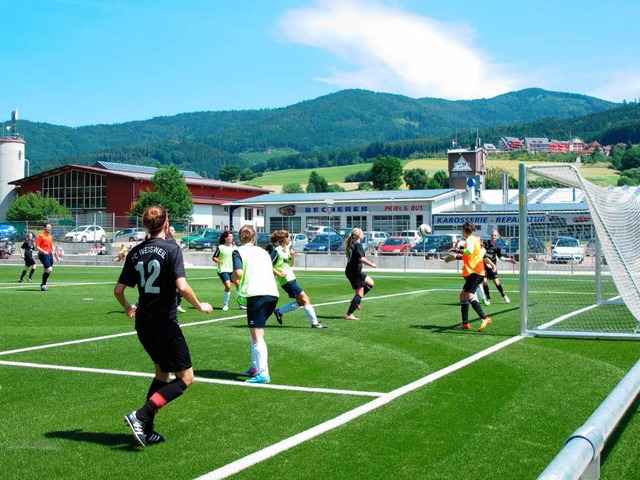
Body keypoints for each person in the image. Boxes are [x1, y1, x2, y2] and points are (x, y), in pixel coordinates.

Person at [114, 205, 212, 447]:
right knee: (187, 378)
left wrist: (127, 306)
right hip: (164, 322)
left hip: (143, 321)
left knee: (162, 373)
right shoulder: (172, 248)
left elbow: (118, 290)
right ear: (166, 223)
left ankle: (145, 430)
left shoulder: (135, 251)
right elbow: (182, 286)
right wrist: (199, 305)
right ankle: (141, 415)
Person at [232, 226, 279, 384]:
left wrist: (233, 277)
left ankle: (263, 374)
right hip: (272, 293)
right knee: (258, 331)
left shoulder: (238, 251)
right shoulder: (263, 252)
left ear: (240, 237)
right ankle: (255, 367)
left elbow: (238, 273)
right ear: (254, 238)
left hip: (256, 294)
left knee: (257, 335)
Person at [269, 230, 327, 328]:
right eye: (289, 237)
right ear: (285, 239)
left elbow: (290, 264)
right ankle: (315, 323)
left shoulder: (287, 249)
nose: (290, 239)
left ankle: (279, 312)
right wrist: (279, 273)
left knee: (300, 302)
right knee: (305, 299)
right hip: (287, 281)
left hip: (291, 278)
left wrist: (292, 256)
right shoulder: (277, 251)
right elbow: (267, 264)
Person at [444, 222, 492, 331]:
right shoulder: (472, 239)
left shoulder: (470, 239)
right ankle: (465, 323)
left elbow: (469, 251)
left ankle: (485, 318)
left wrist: (457, 250)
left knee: (470, 296)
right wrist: (455, 255)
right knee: (463, 296)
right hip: (473, 272)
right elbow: (469, 255)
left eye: (462, 229)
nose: (461, 231)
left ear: (465, 230)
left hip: (476, 272)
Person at [343, 227, 377, 320]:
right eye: (362, 233)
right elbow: (361, 258)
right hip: (355, 272)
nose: (363, 235)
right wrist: (372, 265)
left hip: (353, 271)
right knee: (360, 293)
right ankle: (349, 314)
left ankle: (355, 301)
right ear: (358, 235)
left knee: (370, 283)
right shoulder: (357, 245)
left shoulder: (352, 243)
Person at [480, 230, 517, 305]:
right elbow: (481, 251)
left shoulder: (497, 247)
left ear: (497, 236)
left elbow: (500, 257)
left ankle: (504, 296)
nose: (493, 237)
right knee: (485, 282)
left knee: (497, 283)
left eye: (495, 235)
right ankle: (488, 298)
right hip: (484, 266)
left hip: (493, 267)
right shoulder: (485, 244)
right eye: (492, 235)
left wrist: (508, 259)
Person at [211, 230, 241, 311]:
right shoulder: (221, 247)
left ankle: (240, 304)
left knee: (238, 285)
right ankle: (225, 305)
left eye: (232, 237)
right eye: (230, 237)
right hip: (223, 269)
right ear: (225, 238)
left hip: (233, 270)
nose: (232, 238)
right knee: (228, 286)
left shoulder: (235, 248)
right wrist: (218, 261)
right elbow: (214, 257)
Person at [166, 226, 186, 313]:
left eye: (174, 230)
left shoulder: (174, 242)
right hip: (168, 270)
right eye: (171, 230)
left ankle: (177, 305)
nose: (173, 232)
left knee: (180, 288)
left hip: (175, 268)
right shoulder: (164, 241)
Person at [35, 223, 55, 291]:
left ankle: (43, 285)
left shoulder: (50, 236)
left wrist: (53, 256)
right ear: (44, 228)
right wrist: (43, 251)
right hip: (43, 254)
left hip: (49, 254)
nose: (49, 228)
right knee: (49, 269)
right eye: (48, 227)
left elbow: (51, 247)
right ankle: (43, 284)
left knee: (47, 270)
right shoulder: (40, 236)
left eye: (50, 227)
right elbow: (37, 246)